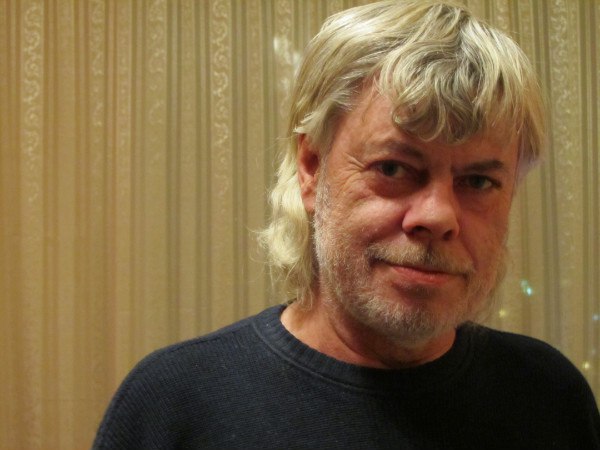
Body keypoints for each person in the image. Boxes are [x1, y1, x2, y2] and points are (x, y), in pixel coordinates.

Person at [94, 1, 600, 448]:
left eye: (478, 181)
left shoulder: (549, 398)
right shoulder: (175, 407)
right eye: (394, 169)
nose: (438, 216)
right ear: (311, 169)